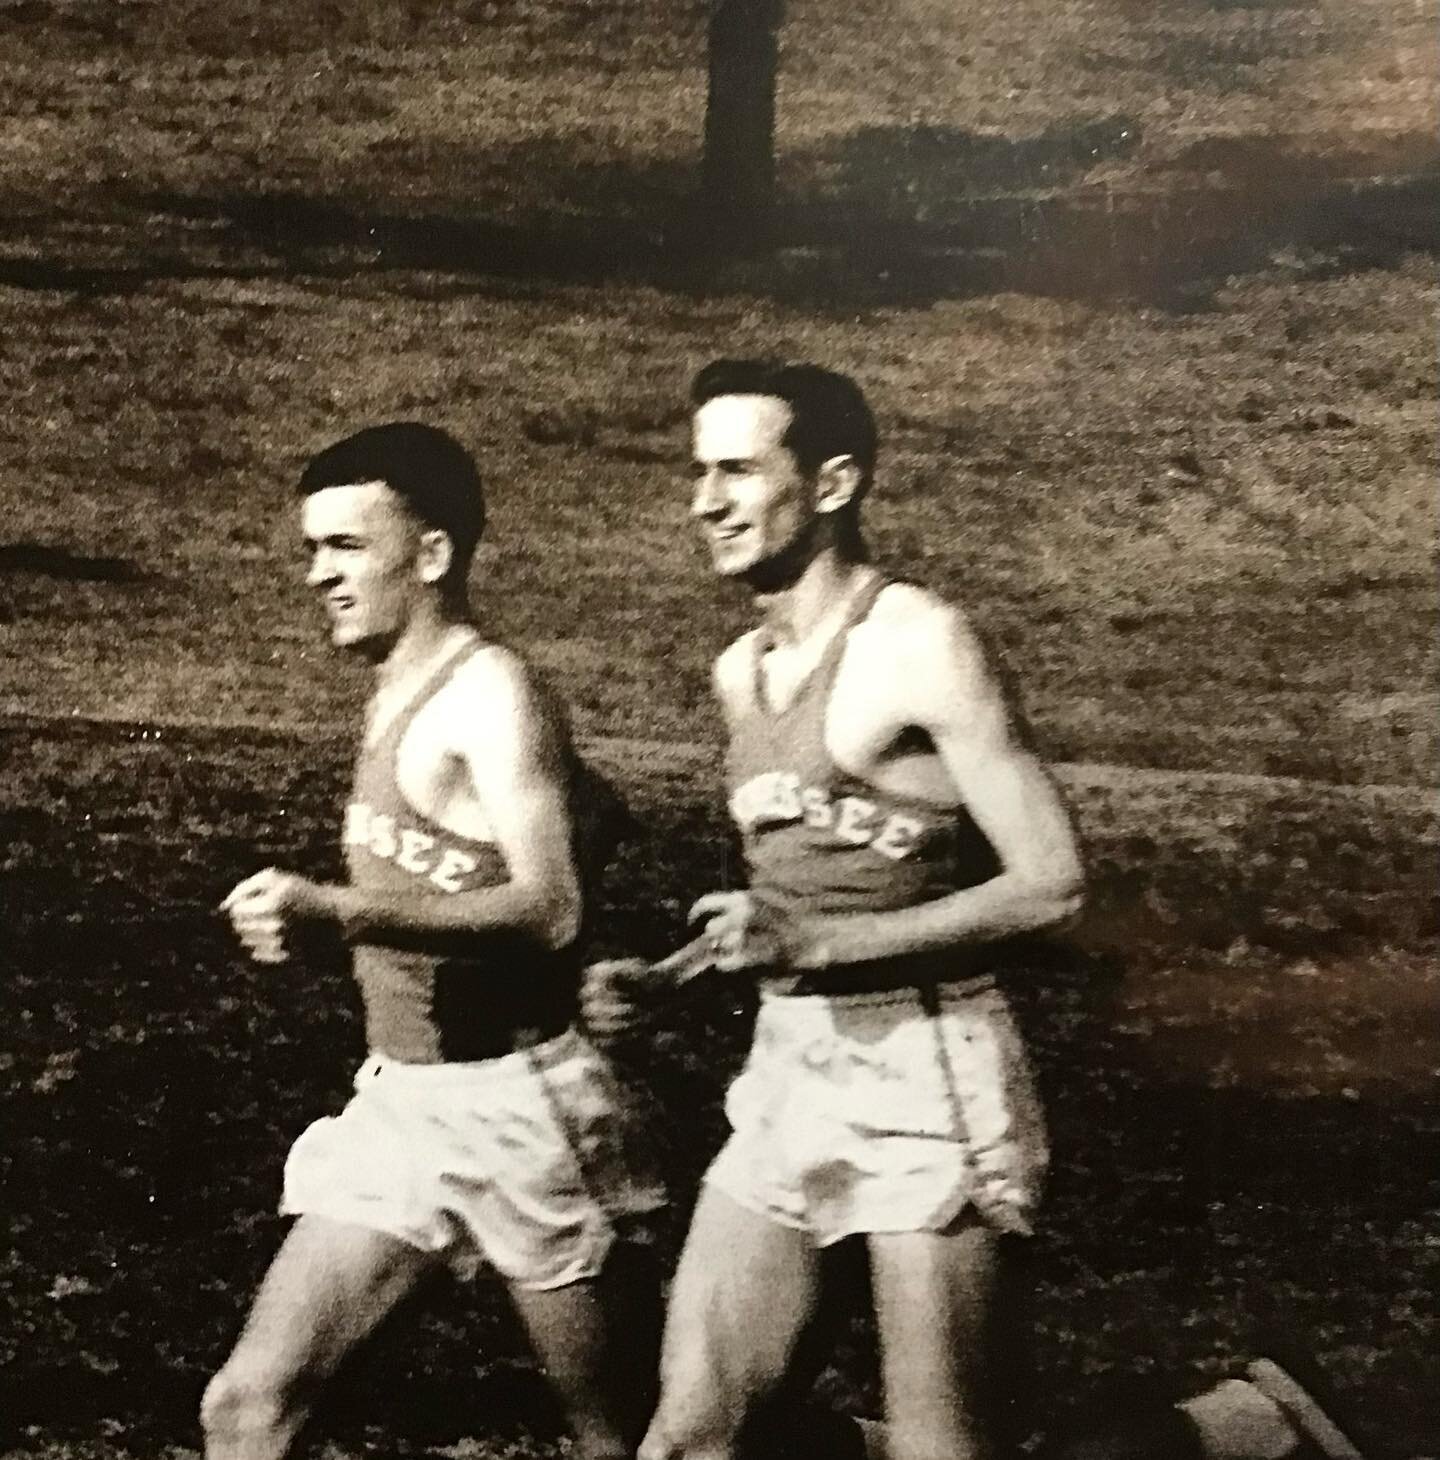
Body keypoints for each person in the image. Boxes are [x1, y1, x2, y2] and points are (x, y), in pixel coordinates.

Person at [611, 358, 1083, 1460]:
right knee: (689, 1440)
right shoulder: (742, 668)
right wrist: (672, 976)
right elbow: (802, 892)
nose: (704, 500)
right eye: (696, 472)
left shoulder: (920, 640)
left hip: (928, 1067)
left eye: (736, 470)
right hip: (792, 1070)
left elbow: (1053, 879)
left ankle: (1236, 1432)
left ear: (830, 483)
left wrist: (827, 940)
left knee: (945, 1448)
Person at [202, 422, 665, 1460]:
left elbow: (549, 904)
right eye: (311, 549)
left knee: (636, 1439)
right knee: (247, 1406)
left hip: (523, 1112)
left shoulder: (493, 690)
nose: (319, 573)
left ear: (434, 553)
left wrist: (344, 911)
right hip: (406, 1104)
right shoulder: (399, 684)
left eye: (346, 547)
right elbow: (593, 822)